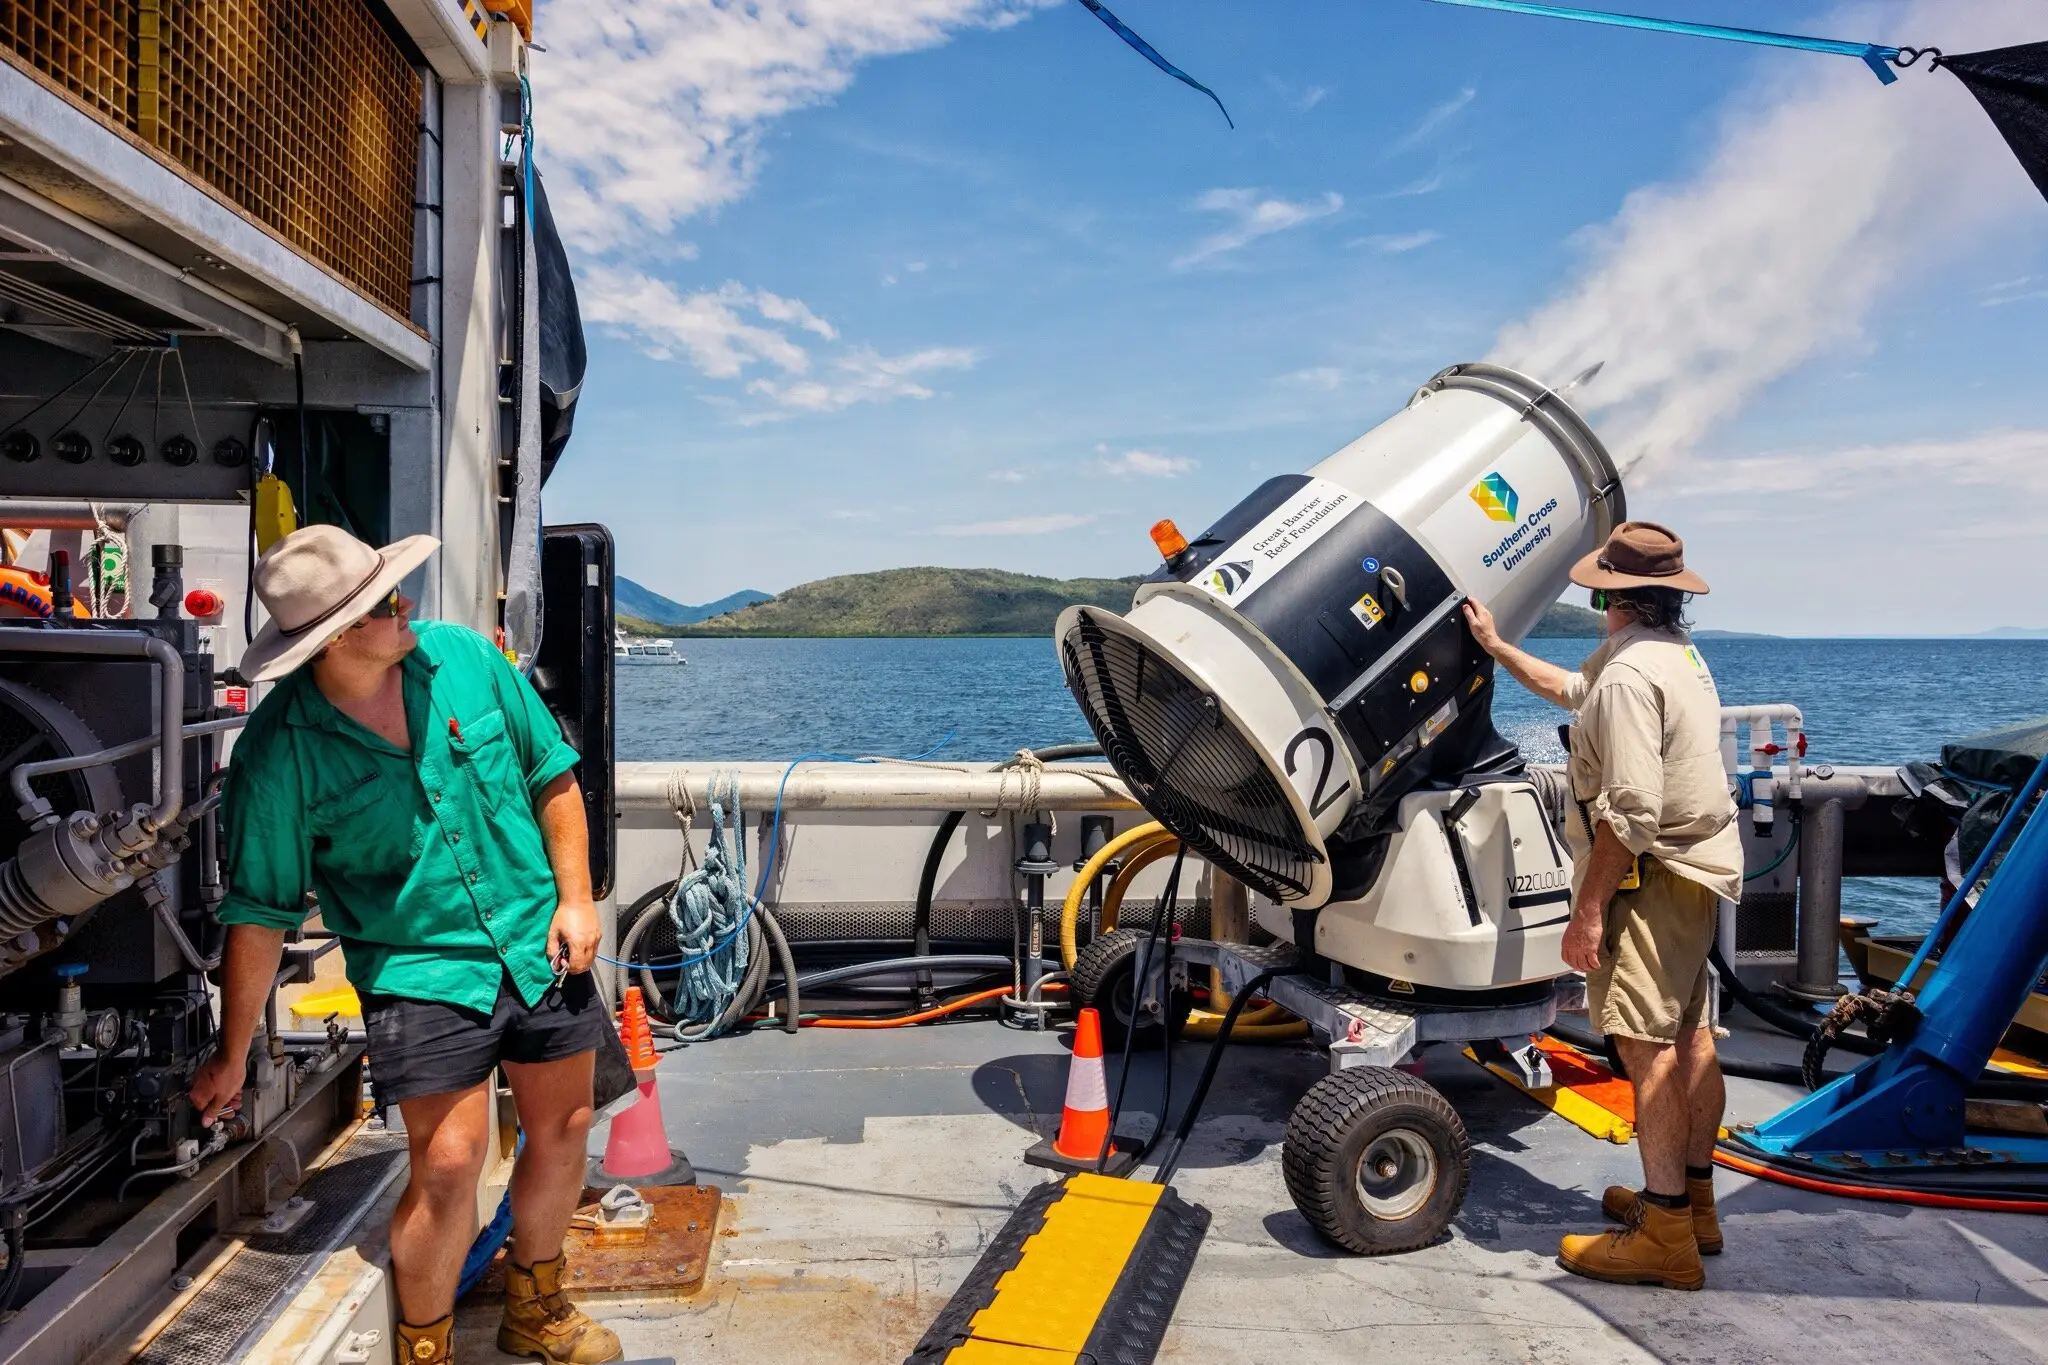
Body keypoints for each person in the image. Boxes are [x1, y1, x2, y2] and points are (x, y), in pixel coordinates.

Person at [188, 524, 622, 1364]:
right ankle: (427, 1347)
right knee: (451, 1162)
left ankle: (539, 1299)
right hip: (418, 966)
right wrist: (234, 1050)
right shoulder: (279, 756)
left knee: (564, 1124)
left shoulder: (462, 657)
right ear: (331, 638)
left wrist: (576, 897)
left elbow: (551, 772)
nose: (406, 604)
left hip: (536, 936)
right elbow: (258, 912)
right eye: (382, 603)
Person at [1464, 521, 1740, 1292]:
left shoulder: (1627, 678)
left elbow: (1630, 814)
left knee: (1643, 1047)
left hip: (1650, 876)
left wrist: (1587, 911)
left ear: (1608, 594)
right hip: (1698, 868)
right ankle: (1691, 1205)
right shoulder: (1673, 655)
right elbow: (1573, 690)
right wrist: (1496, 648)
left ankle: (1664, 1236)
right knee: (1691, 1037)